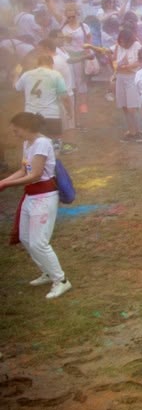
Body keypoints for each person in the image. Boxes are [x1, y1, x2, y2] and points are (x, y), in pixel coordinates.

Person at [0, 112, 72, 299]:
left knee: (39, 242)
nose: (14, 132)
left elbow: (36, 174)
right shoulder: (28, 143)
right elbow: (24, 170)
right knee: (25, 238)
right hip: (31, 196)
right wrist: (3, 181)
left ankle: (61, 280)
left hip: (43, 196)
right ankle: (47, 272)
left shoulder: (42, 143)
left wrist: (6, 184)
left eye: (16, 129)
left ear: (25, 127)